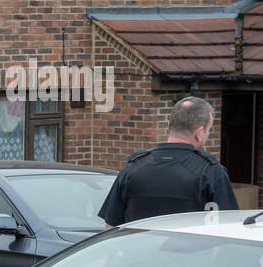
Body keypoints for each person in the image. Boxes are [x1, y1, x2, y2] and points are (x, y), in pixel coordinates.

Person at [99, 96, 238, 228]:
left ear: (168, 125)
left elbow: (111, 228)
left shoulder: (132, 168)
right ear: (199, 133)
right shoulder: (211, 171)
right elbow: (227, 228)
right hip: (190, 253)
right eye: (208, 131)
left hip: (138, 252)